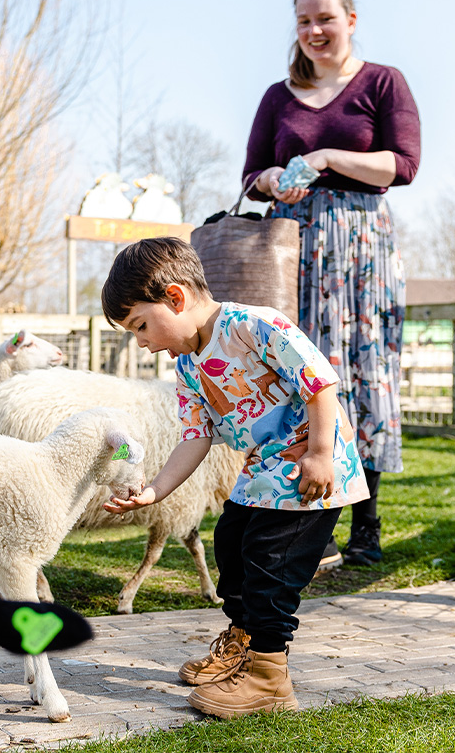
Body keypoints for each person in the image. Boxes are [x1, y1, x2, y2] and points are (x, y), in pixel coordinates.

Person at [100, 236, 369, 719]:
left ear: (175, 298)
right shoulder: (188, 365)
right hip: (263, 467)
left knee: (269, 564)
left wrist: (321, 453)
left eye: (140, 325)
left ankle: (269, 678)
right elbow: (195, 436)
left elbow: (319, 381)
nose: (141, 341)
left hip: (309, 467)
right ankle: (243, 647)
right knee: (230, 544)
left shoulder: (254, 325)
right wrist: (155, 490)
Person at [242, 0, 421, 568]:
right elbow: (251, 176)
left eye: (325, 18)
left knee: (366, 372)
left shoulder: (383, 82)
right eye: (304, 21)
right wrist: (273, 180)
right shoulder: (278, 96)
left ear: (350, 20)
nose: (314, 30)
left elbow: (404, 165)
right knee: (305, 371)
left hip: (362, 246)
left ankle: (366, 522)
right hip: (293, 250)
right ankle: (309, 516)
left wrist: (325, 157)